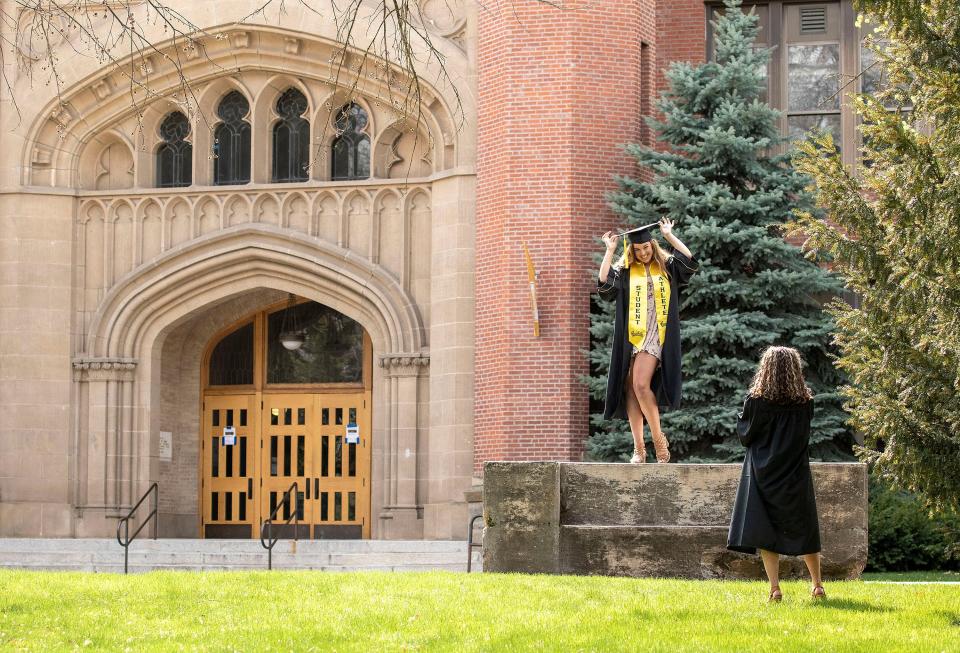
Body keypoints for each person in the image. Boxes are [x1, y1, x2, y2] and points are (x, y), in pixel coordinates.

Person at [727, 346, 825, 603]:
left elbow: (746, 436)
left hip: (763, 473)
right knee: (805, 527)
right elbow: (804, 437)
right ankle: (817, 585)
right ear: (795, 370)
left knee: (766, 530)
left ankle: (775, 588)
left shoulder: (757, 402)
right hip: (795, 473)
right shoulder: (805, 403)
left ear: (765, 368)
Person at [597, 218, 698, 463]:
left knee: (641, 384)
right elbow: (603, 282)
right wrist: (610, 251)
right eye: (638, 250)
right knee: (630, 388)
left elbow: (690, 260)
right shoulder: (627, 273)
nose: (642, 253)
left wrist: (669, 236)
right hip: (631, 337)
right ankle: (639, 449)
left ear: (653, 246)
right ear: (632, 250)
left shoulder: (667, 267)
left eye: (646, 248)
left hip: (657, 335)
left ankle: (658, 440)